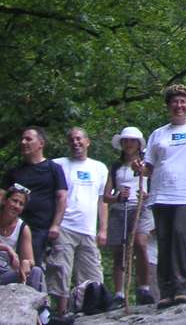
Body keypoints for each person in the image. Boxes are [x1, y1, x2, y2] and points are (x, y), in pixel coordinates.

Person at [141, 84, 186, 308]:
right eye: (174, 102)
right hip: (161, 193)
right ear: (168, 106)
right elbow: (147, 167)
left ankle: (182, 286)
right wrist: (138, 168)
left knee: (181, 234)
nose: (179, 106)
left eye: (183, 102)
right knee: (164, 240)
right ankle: (166, 290)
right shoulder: (158, 134)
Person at [46, 127, 109, 322]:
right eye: (72, 139)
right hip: (65, 225)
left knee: (93, 273)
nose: (76, 142)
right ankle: (62, 312)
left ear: (87, 142)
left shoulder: (99, 168)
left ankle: (91, 310)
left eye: (79, 139)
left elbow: (102, 200)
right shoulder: (58, 165)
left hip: (88, 228)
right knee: (61, 270)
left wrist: (103, 229)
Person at [104, 127, 154, 308]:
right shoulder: (116, 167)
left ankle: (144, 288)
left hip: (141, 207)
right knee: (120, 250)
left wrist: (148, 194)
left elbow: (155, 184)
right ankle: (119, 293)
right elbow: (105, 196)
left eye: (133, 141)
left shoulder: (146, 164)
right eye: (126, 141)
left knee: (140, 243)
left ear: (139, 144)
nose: (129, 144)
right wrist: (117, 196)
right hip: (120, 208)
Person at [4, 128, 67, 266]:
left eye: (28, 139)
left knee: (31, 266)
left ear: (41, 143)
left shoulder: (53, 168)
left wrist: (55, 225)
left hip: (40, 229)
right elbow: (3, 196)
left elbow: (62, 197)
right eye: (22, 139)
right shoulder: (14, 172)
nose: (23, 142)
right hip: (14, 227)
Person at [1, 185, 44, 292]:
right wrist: (8, 249)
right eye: (14, 201)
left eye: (21, 204)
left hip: (5, 274)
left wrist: (26, 263)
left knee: (36, 271)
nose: (17, 206)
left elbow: (30, 260)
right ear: (5, 201)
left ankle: (33, 305)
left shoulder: (23, 228)